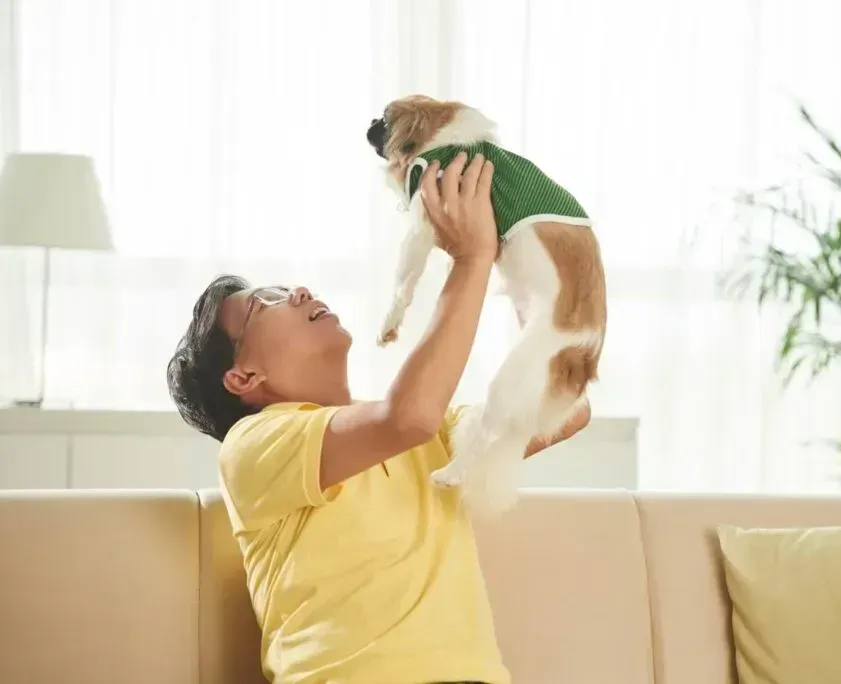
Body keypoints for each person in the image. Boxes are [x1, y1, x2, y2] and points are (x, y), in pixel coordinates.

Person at [167, 152, 591, 684]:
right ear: (243, 378)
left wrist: (520, 260)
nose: (297, 290)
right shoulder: (253, 443)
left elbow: (568, 409)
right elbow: (407, 416)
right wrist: (471, 258)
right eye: (264, 303)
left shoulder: (431, 434)